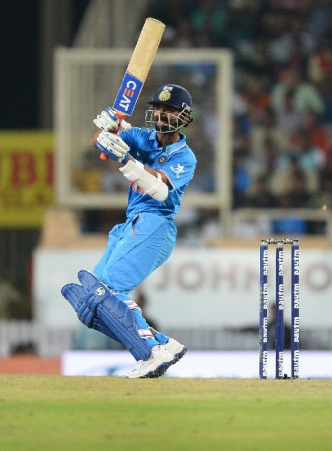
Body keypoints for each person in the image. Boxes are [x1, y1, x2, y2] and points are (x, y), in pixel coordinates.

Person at [61, 83, 195, 378]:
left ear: (183, 117)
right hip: (132, 222)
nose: (161, 114)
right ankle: (161, 344)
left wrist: (128, 160)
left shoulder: (186, 158)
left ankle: (150, 353)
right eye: (158, 108)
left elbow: (159, 190)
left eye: (169, 110)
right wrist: (108, 128)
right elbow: (102, 141)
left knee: (108, 290)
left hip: (155, 224)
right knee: (92, 299)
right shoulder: (143, 137)